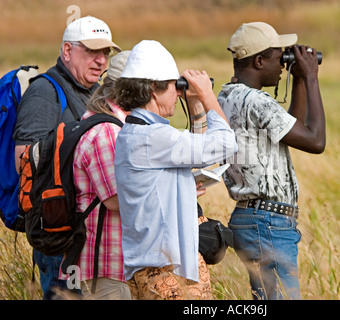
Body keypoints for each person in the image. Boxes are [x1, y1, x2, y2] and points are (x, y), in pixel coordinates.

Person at [114, 40, 237, 300]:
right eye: (174, 86)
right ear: (153, 90)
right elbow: (226, 144)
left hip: (150, 269)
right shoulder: (154, 137)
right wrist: (206, 95)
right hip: (166, 274)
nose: (177, 93)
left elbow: (199, 155)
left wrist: (195, 107)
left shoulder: (134, 132)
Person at [13, 16, 121, 300]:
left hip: (81, 232)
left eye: (106, 53)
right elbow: (24, 160)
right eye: (92, 51)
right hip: (59, 233)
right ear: (67, 51)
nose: (101, 61)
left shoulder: (92, 92)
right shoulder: (44, 93)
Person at [217, 22, 326, 300]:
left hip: (248, 218)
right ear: (258, 60)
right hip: (268, 223)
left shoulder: (226, 96)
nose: (282, 64)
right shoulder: (257, 102)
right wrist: (312, 77)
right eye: (279, 57)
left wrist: (298, 78)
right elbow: (315, 141)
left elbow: (294, 128)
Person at [58, 50, 131, 300]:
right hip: (107, 267)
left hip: (107, 266)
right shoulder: (107, 132)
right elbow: (115, 200)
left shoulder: (102, 121)